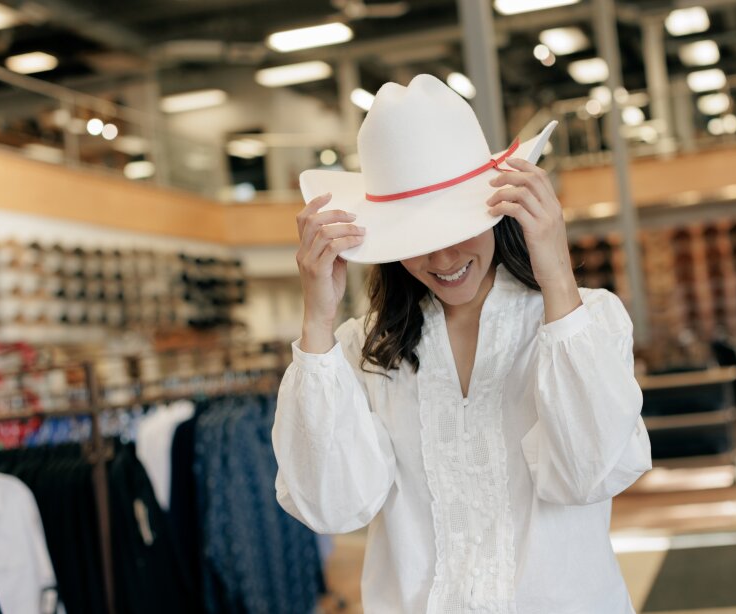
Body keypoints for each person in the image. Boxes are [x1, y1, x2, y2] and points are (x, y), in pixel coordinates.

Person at [272, 74, 652, 613]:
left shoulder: (586, 321)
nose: (444, 260)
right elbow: (334, 507)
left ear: (499, 211)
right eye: (417, 241)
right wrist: (316, 318)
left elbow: (592, 473)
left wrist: (558, 278)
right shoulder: (362, 350)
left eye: (460, 227)